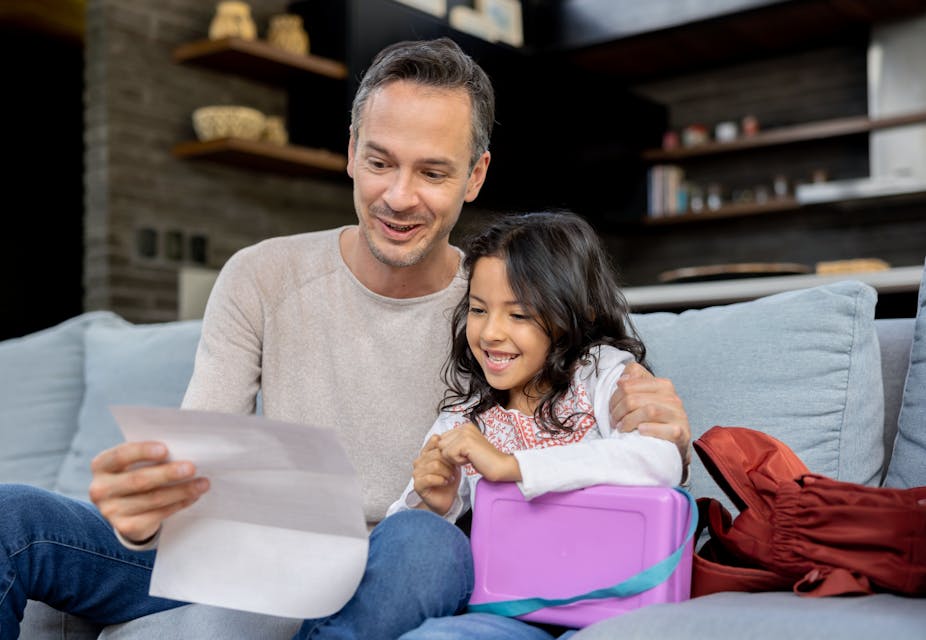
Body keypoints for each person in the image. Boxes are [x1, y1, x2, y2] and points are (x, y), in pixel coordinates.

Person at [0, 38, 691, 639]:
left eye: (433, 171)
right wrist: (144, 512)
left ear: (475, 176)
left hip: (386, 564)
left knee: (426, 545)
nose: (398, 196)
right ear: (351, 153)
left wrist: (666, 441)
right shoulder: (261, 276)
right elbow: (197, 455)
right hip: (251, 550)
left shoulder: (505, 310)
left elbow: (603, 410)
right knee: (12, 516)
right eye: (381, 161)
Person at [388, 211, 682, 640]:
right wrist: (433, 504)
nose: (490, 333)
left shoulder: (602, 376)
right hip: (506, 611)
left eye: (519, 315)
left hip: (606, 607)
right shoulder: (467, 415)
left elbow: (661, 461)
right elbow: (400, 553)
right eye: (478, 309)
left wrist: (512, 466)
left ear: (575, 314)